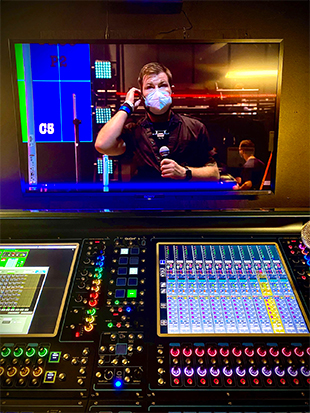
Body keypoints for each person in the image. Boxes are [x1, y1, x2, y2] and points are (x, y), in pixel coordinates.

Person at [95, 62, 219, 182]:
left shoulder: (194, 128)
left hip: (183, 201)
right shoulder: (134, 131)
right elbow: (102, 144)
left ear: (171, 91)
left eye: (162, 85)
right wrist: (127, 106)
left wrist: (184, 172)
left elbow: (214, 174)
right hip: (146, 201)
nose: (157, 92)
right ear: (142, 95)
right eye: (149, 87)